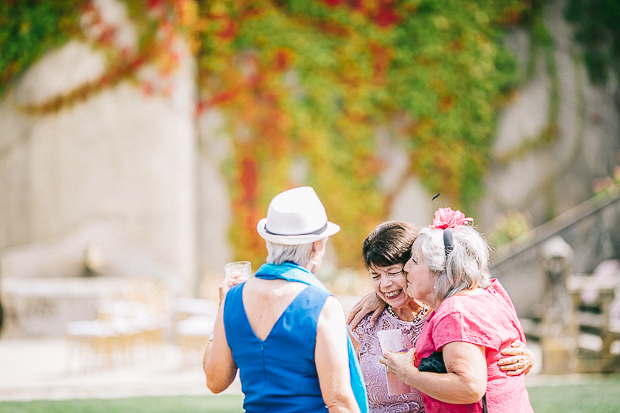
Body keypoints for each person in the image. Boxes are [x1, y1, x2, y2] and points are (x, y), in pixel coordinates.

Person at [203, 186, 367, 413]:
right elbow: (339, 401)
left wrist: (222, 310)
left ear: (270, 242)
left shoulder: (232, 299)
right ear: (316, 247)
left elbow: (214, 382)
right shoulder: (321, 305)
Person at [349, 221, 534, 413]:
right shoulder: (366, 319)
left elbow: (473, 380)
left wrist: (524, 356)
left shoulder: (447, 311)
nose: (385, 283)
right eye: (375, 276)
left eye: (393, 271)